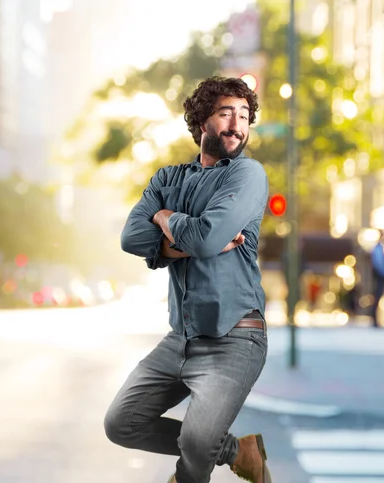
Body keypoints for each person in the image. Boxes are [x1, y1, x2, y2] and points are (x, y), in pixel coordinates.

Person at [104, 77, 272, 483]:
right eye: (225, 113)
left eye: (244, 116)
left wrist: (165, 219)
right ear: (201, 122)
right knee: (121, 423)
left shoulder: (247, 175)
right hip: (181, 337)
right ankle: (236, 450)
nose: (236, 124)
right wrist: (182, 237)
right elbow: (131, 237)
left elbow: (208, 237)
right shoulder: (167, 179)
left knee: (197, 445)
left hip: (234, 338)